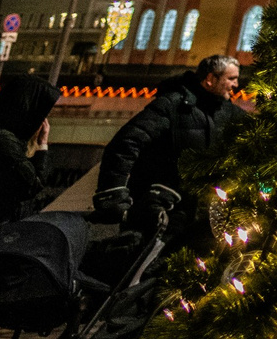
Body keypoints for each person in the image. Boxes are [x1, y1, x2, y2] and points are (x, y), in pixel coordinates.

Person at [95, 55, 247, 234]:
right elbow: (126, 142)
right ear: (210, 79)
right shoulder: (172, 105)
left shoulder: (232, 115)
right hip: (158, 215)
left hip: (201, 220)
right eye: (231, 78)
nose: (236, 84)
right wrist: (114, 195)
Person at [0, 76, 62, 245]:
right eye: (41, 113)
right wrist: (43, 145)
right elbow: (32, 184)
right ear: (27, 108)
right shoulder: (3, 140)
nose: (44, 122)